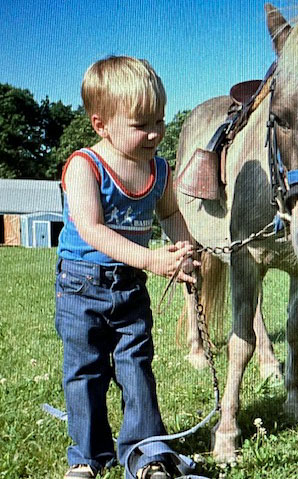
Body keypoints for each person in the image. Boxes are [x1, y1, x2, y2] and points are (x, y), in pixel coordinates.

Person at [55, 55, 199, 479]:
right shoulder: (85, 167)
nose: (155, 133)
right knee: (86, 372)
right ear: (101, 125)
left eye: (160, 120)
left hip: (130, 286)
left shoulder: (158, 169)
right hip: (81, 286)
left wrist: (184, 246)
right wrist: (152, 258)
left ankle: (146, 453)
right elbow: (94, 230)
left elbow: (170, 214)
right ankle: (86, 456)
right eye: (141, 124)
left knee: (137, 366)